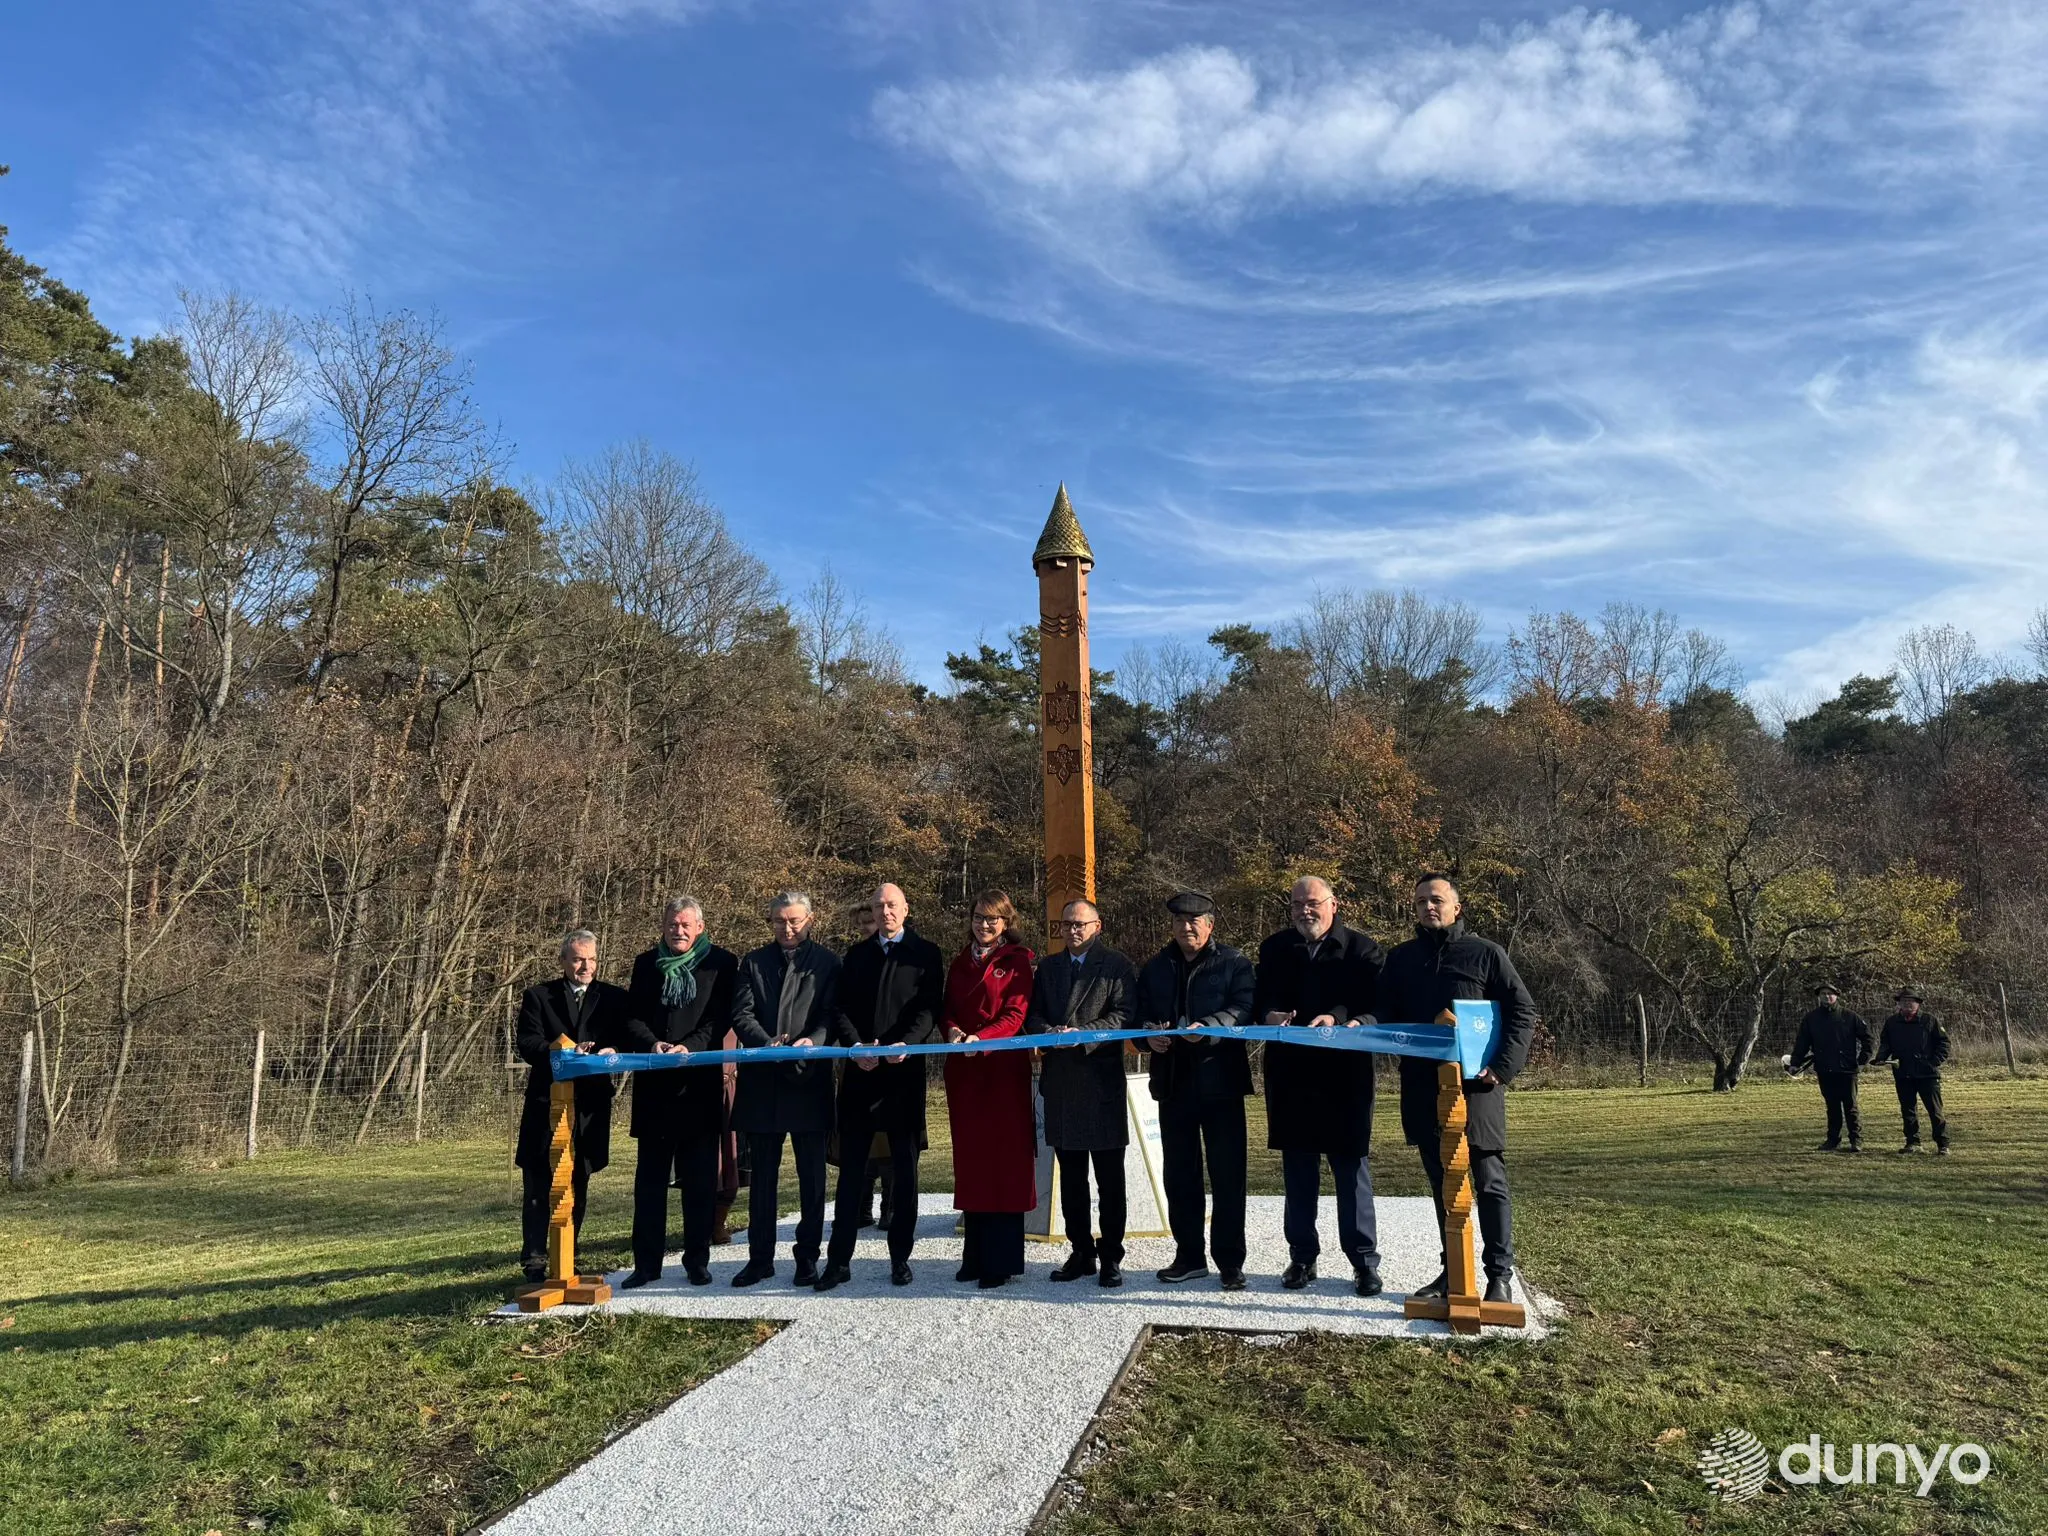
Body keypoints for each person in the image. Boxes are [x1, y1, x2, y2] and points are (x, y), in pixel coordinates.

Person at [1375, 874, 1536, 1306]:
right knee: (1442, 1184)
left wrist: (1502, 1068)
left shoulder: (1485, 954)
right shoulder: (1401, 959)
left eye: (1438, 900)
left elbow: (1522, 1011)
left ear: (1456, 908)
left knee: (1489, 1183)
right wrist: (1357, 1024)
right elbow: (1383, 1014)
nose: (1430, 907)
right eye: (1422, 900)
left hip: (1478, 1089)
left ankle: (1499, 1275)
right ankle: (1453, 1271)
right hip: (1423, 1090)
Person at [1254, 876, 1387, 1297]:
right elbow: (1256, 1000)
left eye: (1312, 903)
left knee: (1351, 1173)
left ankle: (1363, 1262)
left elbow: (1375, 1004)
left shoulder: (1362, 949)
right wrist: (1269, 1016)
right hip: (1290, 1077)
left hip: (1344, 1079)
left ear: (1334, 904)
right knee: (1298, 1175)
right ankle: (1302, 1257)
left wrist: (1340, 1016)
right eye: (1296, 905)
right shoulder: (1275, 948)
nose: (1304, 911)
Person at [817, 882, 945, 1290]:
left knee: (905, 1170)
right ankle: (838, 1261)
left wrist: (906, 1043)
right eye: (878, 906)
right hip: (861, 1074)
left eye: (892, 905)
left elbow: (929, 1009)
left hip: (903, 1076)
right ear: (871, 912)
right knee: (851, 1171)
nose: (885, 912)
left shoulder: (926, 955)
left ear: (906, 909)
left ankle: (900, 1258)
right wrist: (855, 1046)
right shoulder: (855, 956)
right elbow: (839, 1008)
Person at [1136, 890, 1255, 1290]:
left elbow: (1243, 1008)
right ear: (1171, 925)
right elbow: (1139, 1018)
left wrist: (1209, 1026)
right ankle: (1188, 1255)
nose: (1187, 928)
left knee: (1227, 1176)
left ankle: (1230, 1261)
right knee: (1180, 1176)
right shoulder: (1155, 967)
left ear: (1210, 925)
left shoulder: (1234, 963)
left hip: (1221, 1083)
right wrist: (1148, 1037)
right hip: (1173, 1084)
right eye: (1180, 921)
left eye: (1195, 921)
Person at [619, 897, 740, 1288]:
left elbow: (720, 1018)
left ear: (700, 928)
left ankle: (696, 1261)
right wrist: (653, 1043)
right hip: (654, 1087)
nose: (679, 931)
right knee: (650, 1181)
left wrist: (690, 1046)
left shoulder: (721, 964)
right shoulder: (644, 964)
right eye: (673, 924)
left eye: (686, 925)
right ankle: (647, 1264)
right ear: (663, 925)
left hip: (697, 1084)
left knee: (700, 1181)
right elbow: (632, 1016)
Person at [728, 892, 842, 1287]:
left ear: (810, 920)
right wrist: (766, 1043)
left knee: (812, 1179)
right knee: (762, 1180)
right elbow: (740, 1013)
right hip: (763, 1083)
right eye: (779, 921)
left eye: (794, 921)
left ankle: (807, 1257)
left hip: (808, 1080)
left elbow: (831, 1014)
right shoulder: (754, 962)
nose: (787, 928)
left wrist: (813, 1041)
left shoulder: (828, 962)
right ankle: (760, 1258)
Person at [1024, 899, 1138, 1287]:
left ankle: (1111, 1255)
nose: (1073, 930)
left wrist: (1084, 1037)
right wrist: (1050, 1033)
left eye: (1080, 924)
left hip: (1100, 1081)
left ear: (1097, 925)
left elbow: (1125, 1014)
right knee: (1071, 1179)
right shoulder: (1049, 968)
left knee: (1109, 1179)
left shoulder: (1117, 965)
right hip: (1060, 1082)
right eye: (1066, 924)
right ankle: (1080, 1251)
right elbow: (1032, 1014)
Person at [512, 929, 626, 1282]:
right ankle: (534, 1260)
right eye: (578, 959)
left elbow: (624, 1035)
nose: (585, 966)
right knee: (538, 1182)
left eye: (591, 959)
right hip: (547, 1102)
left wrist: (612, 1049)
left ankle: (567, 1255)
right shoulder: (539, 996)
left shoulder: (614, 998)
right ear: (563, 961)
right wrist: (562, 1051)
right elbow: (528, 1042)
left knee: (579, 1179)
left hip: (590, 1106)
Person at [942, 890, 1038, 1288]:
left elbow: (1016, 1013)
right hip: (964, 1074)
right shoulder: (960, 962)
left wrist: (980, 1039)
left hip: (1000, 1071)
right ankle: (974, 1253)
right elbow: (946, 1006)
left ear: (1006, 923)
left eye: (993, 920)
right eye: (979, 918)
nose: (984, 925)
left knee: (1004, 1162)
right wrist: (952, 1030)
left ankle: (1000, 1260)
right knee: (972, 1160)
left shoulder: (1019, 961)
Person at [1787, 982, 1874, 1152]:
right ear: (1819, 997)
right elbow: (1802, 1042)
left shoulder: (1850, 1017)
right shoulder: (1811, 1018)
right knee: (1832, 1106)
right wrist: (1795, 1063)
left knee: (1851, 1106)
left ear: (1837, 995)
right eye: (1823, 994)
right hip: (1824, 1068)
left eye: (1830, 993)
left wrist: (1862, 1060)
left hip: (1847, 1069)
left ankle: (1856, 1140)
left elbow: (1868, 1039)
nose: (1826, 996)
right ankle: (1833, 1140)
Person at [1873, 987, 1950, 1155]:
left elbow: (1944, 1044)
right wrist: (1881, 1057)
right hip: (1903, 1073)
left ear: (1918, 1004)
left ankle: (1942, 1144)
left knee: (1934, 1110)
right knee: (1908, 1110)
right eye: (1903, 1001)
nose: (1907, 1004)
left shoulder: (1930, 1021)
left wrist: (1934, 1062)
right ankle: (1912, 1142)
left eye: (1910, 1001)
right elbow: (1885, 1043)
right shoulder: (1892, 1022)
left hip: (1927, 1074)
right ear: (1898, 1004)